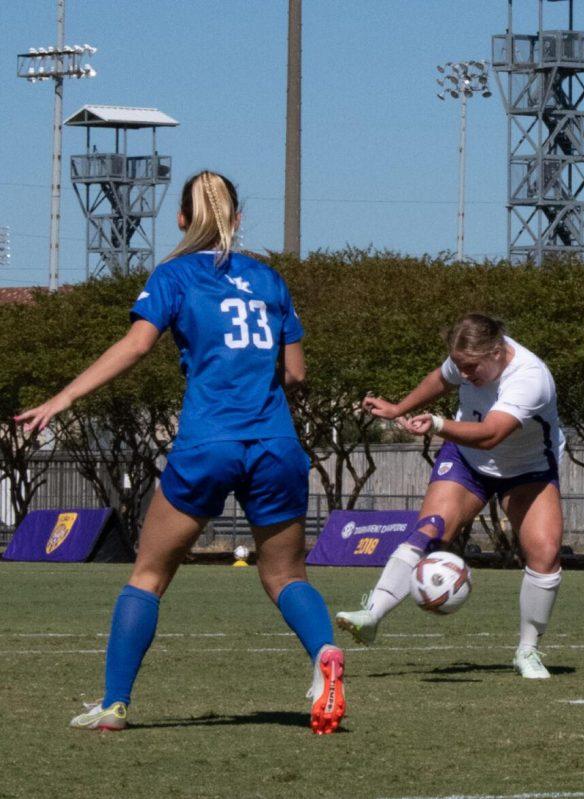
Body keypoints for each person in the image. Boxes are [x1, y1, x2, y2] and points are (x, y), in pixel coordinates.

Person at [16, 171, 346, 733]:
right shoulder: (270, 280)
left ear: (181, 219)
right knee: (288, 576)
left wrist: (64, 396)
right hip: (274, 444)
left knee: (147, 575)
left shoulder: (173, 275)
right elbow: (296, 375)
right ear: (238, 220)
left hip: (207, 442)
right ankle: (324, 654)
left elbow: (137, 344)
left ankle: (115, 704)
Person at [335, 314, 566, 679]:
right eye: (460, 365)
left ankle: (527, 651)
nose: (465, 375)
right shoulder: (466, 361)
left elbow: (491, 435)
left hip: (527, 469)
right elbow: (440, 379)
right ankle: (372, 614)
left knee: (545, 553)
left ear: (496, 351)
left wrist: (439, 424)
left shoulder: (530, 377)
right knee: (431, 528)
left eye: (471, 367)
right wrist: (399, 408)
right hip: (467, 460)